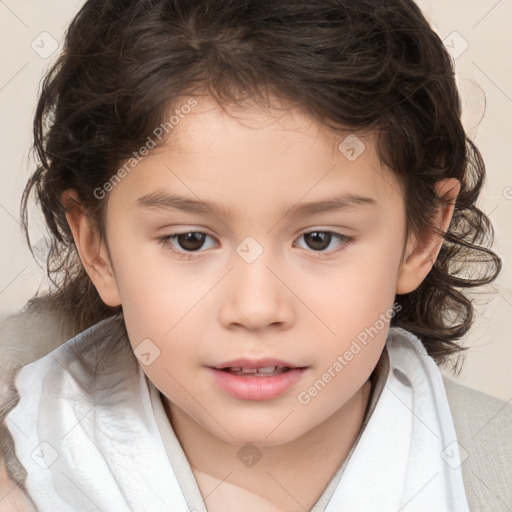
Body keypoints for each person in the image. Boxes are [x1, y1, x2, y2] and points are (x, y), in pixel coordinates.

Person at [1, 0, 510, 510]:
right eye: (190, 240)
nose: (256, 308)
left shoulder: (494, 471)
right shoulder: (25, 459)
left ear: (421, 237)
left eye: (320, 239)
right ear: (98, 250)